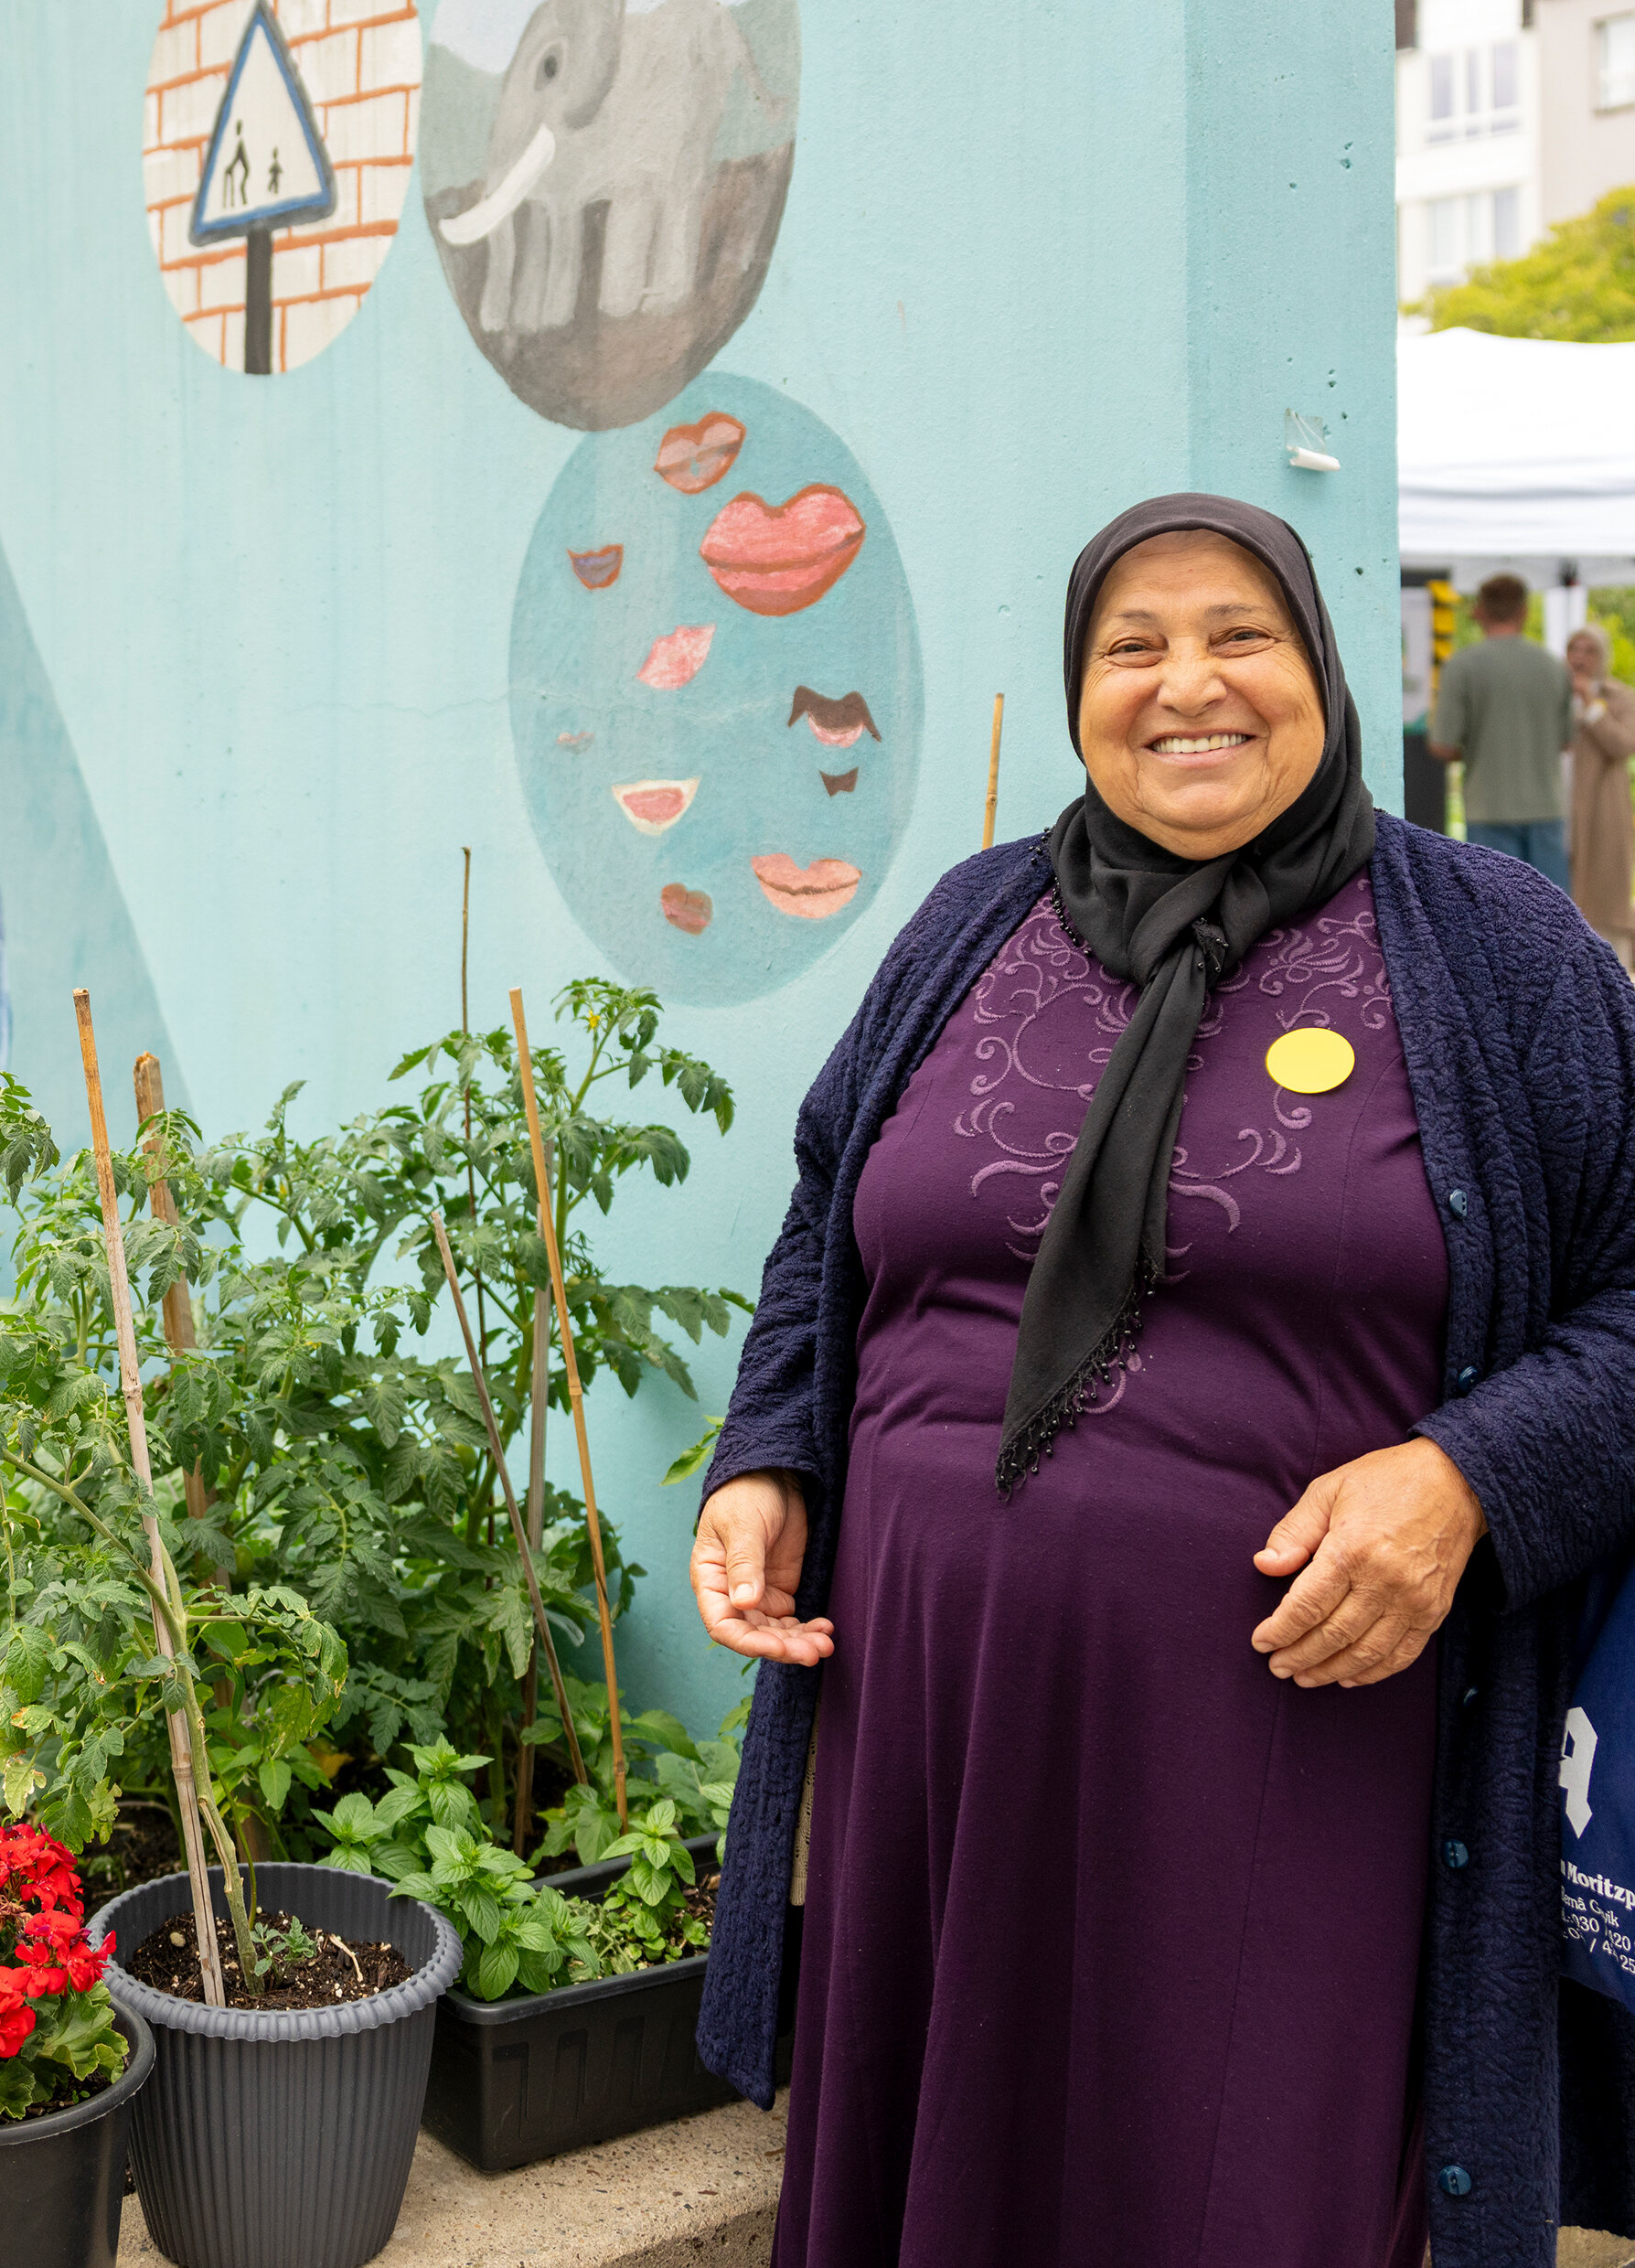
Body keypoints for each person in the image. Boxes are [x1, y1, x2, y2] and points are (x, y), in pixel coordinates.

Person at [687, 495, 1635, 2268]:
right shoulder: (972, 922)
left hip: (1290, 1761)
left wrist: (1468, 1478)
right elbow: (829, 1215)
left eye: (1236, 635)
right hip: (939, 1745)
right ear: (1079, 689)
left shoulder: (1493, 950)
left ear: (1321, 668)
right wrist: (770, 1452)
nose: (1185, 684)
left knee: (1234, 2186)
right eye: (1133, 646)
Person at [1429, 572, 1576, 883]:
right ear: (1524, 611)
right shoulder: (1554, 666)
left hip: (1488, 807)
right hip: (1547, 807)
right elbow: (1566, 742)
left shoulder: (1461, 666)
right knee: (1552, 906)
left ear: (1480, 611)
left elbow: (1442, 746)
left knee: (1495, 907)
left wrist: (1480, 747)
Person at [1569, 624, 1635, 964]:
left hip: (1603, 809)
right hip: (1562, 806)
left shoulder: (1619, 696)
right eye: (1574, 649)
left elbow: (1623, 745)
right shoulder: (1555, 694)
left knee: (1606, 894)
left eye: (1589, 650)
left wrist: (1591, 705)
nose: (1580, 658)